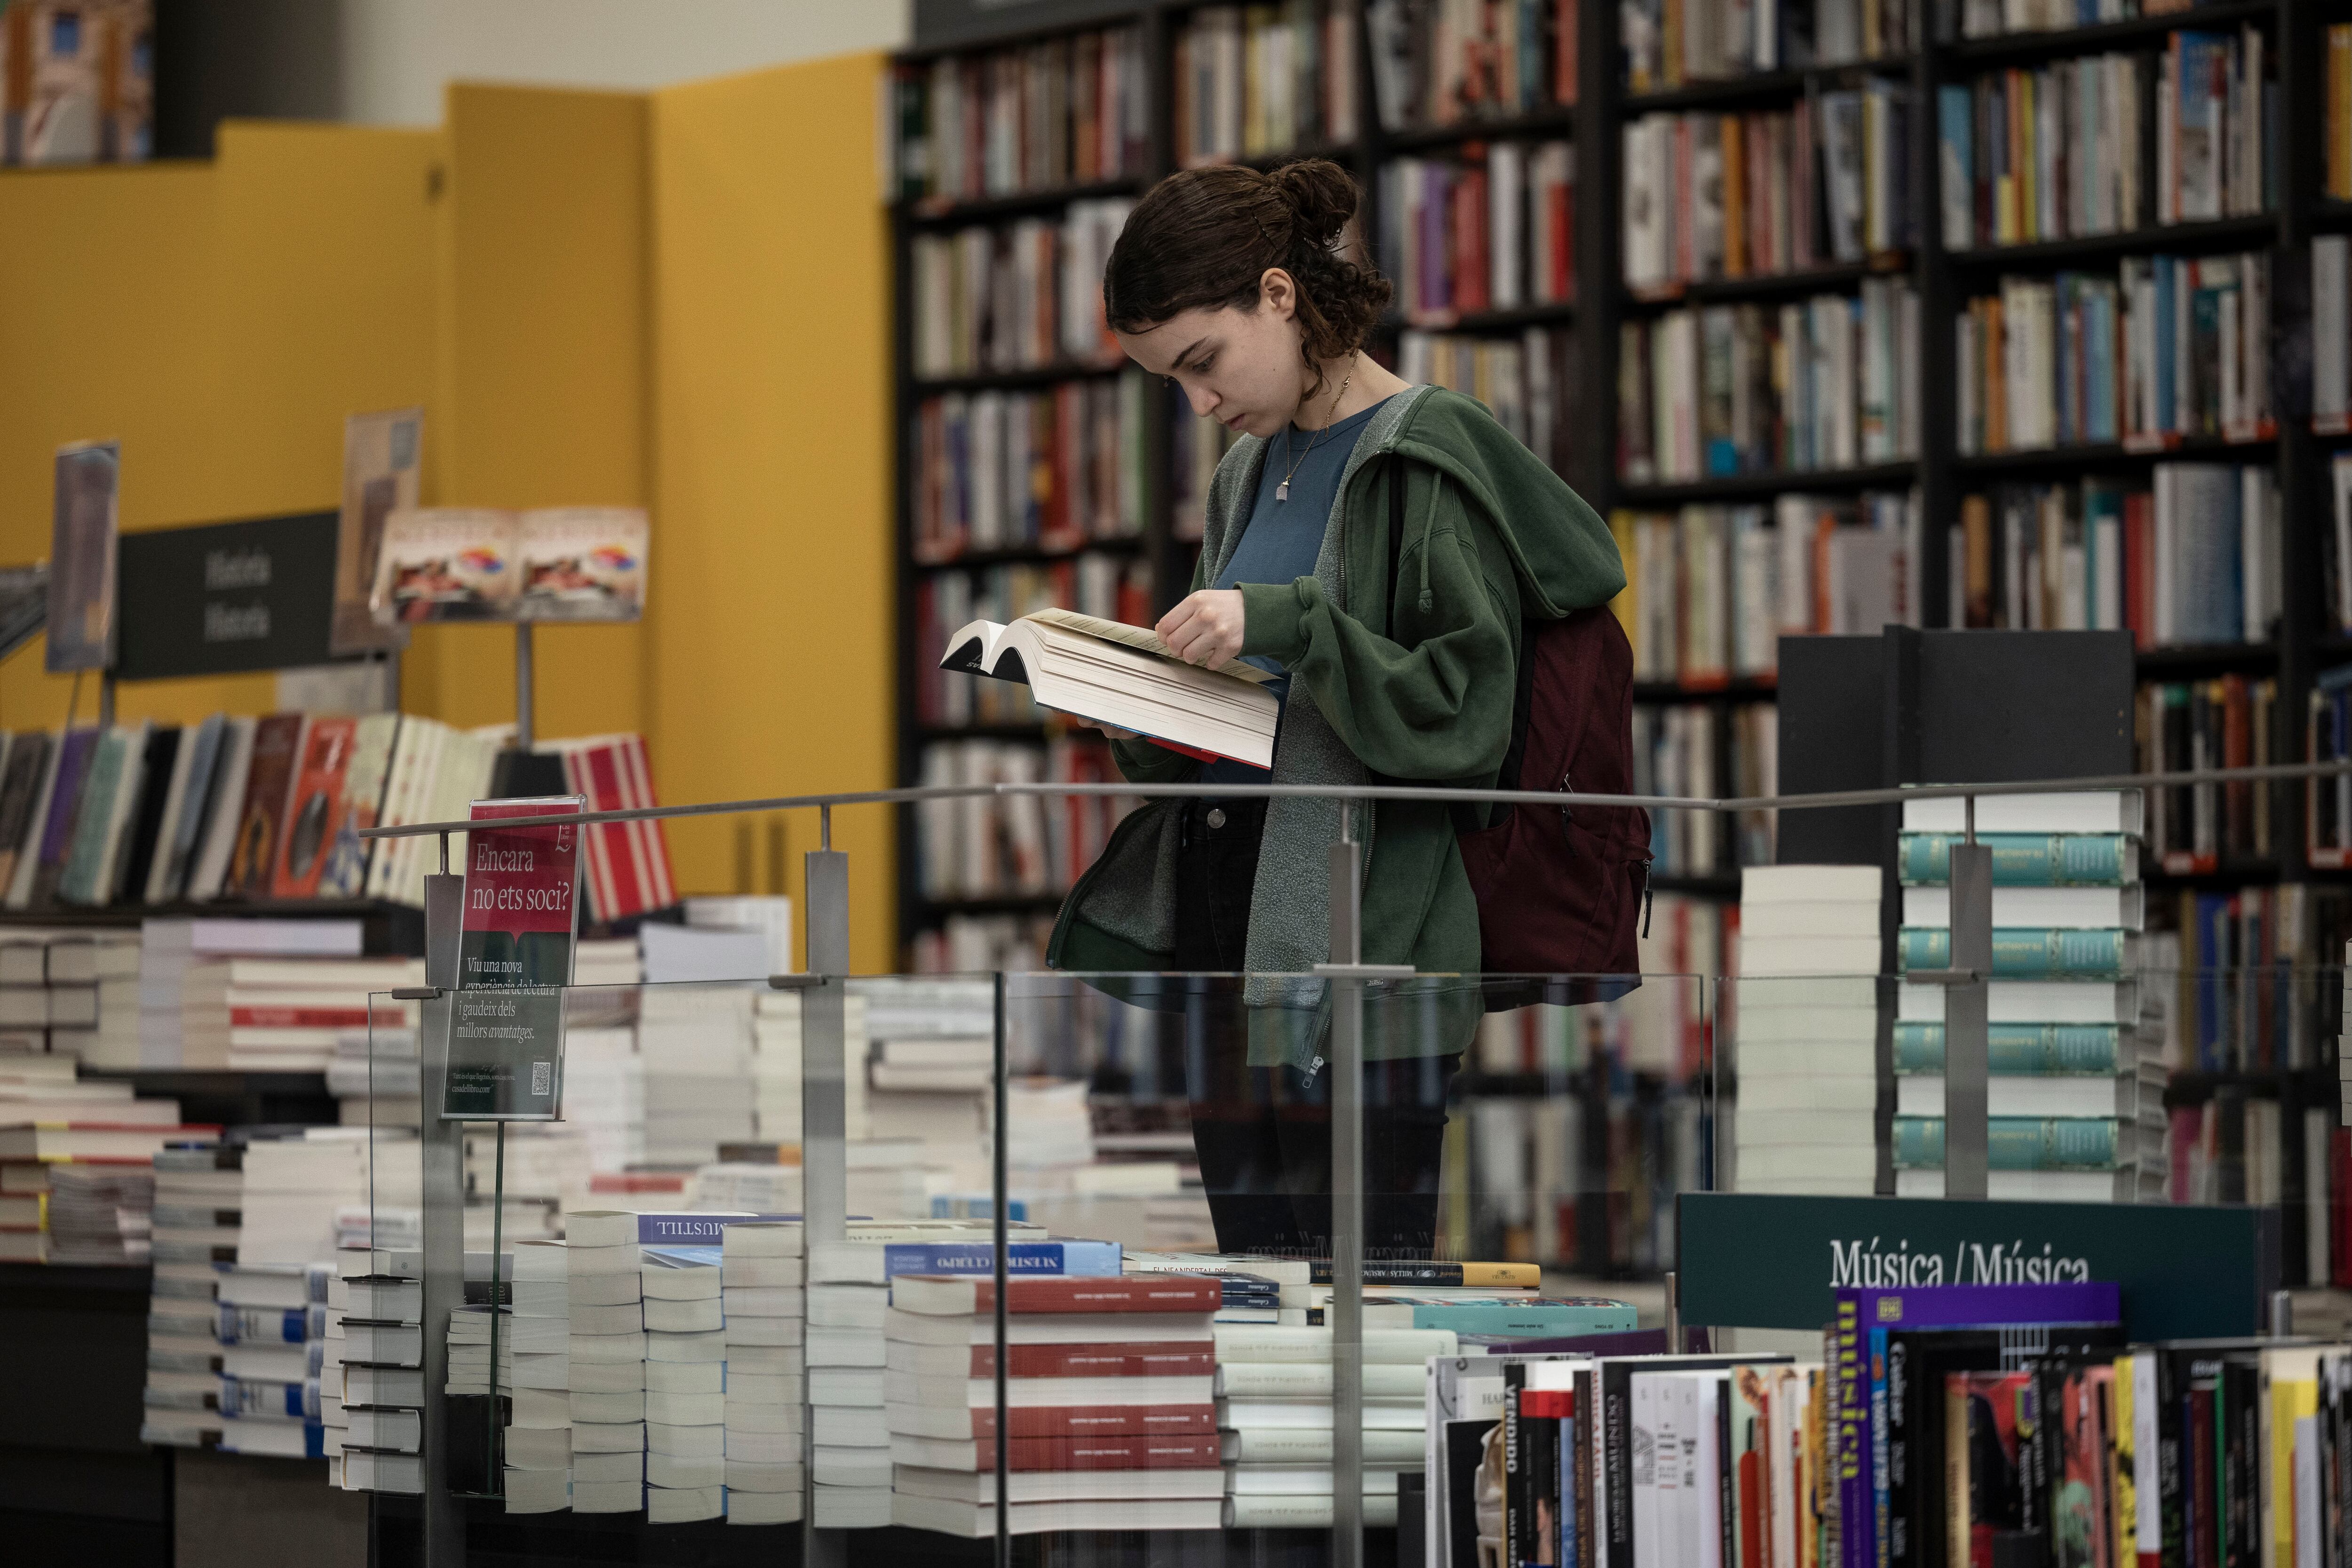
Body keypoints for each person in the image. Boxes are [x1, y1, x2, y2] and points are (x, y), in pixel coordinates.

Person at [1045, 159, 1626, 1259]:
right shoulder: (1242, 474)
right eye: (1170, 382)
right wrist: (1131, 695)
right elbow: (1260, 711)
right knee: (1257, 1302)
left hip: (1367, 928)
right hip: (1229, 923)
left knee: (1364, 1307)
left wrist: (1288, 619)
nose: (1200, 404)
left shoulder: (1424, 455)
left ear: (1278, 295)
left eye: (1202, 364)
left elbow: (1463, 721)